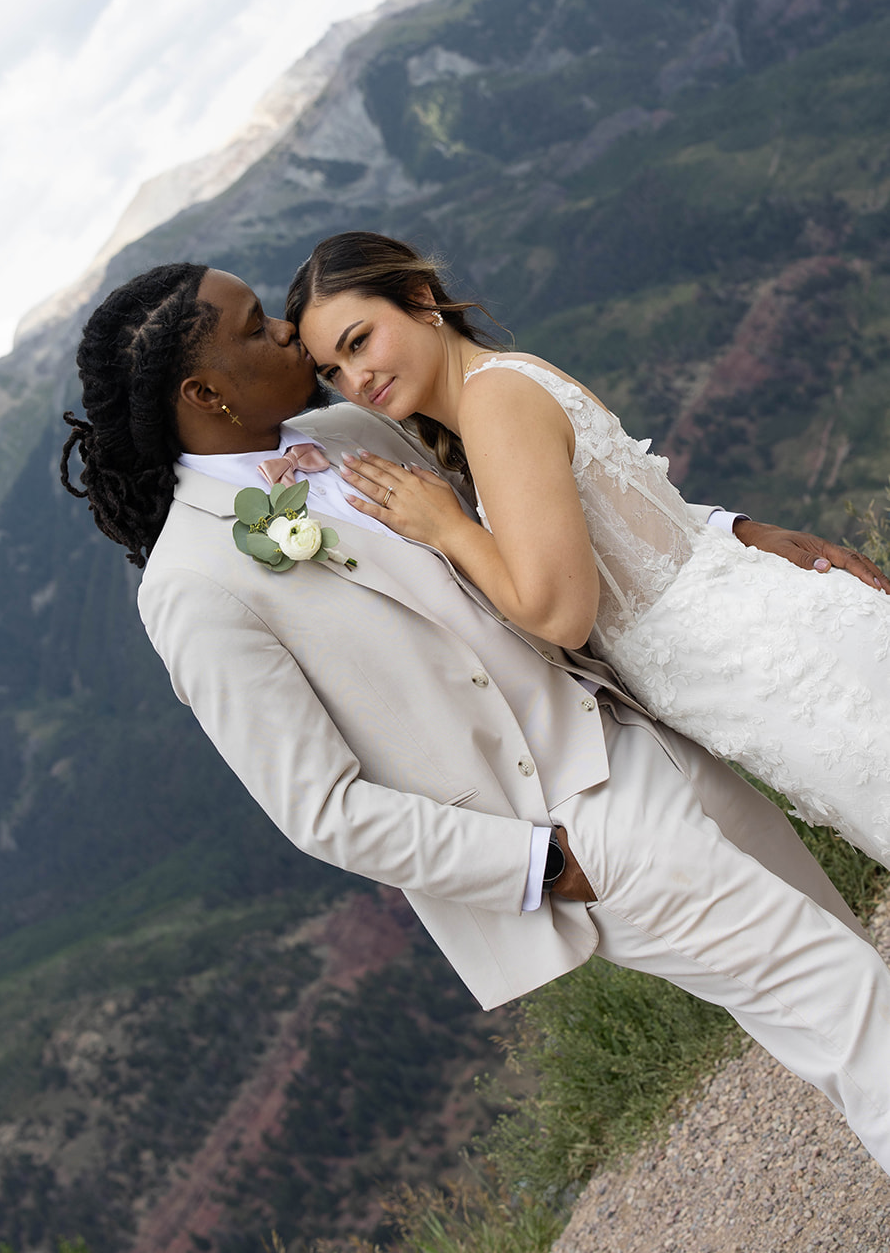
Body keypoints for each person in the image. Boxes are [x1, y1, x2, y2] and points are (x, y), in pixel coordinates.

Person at [61, 260, 890, 1173]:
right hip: (576, 829)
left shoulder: (351, 425)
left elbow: (546, 524)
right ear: (203, 390)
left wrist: (728, 533)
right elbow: (320, 810)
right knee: (848, 1006)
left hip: (647, 732)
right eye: (257, 327)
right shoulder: (190, 584)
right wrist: (531, 863)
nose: (289, 337)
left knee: (843, 983)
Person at [290, 231, 890, 870]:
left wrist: (447, 528)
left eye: (360, 342)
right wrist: (739, 528)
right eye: (332, 371)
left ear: (419, 297)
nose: (356, 379)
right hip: (759, 656)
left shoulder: (493, 402)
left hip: (773, 670)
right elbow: (628, 510)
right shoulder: (501, 383)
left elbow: (560, 615)